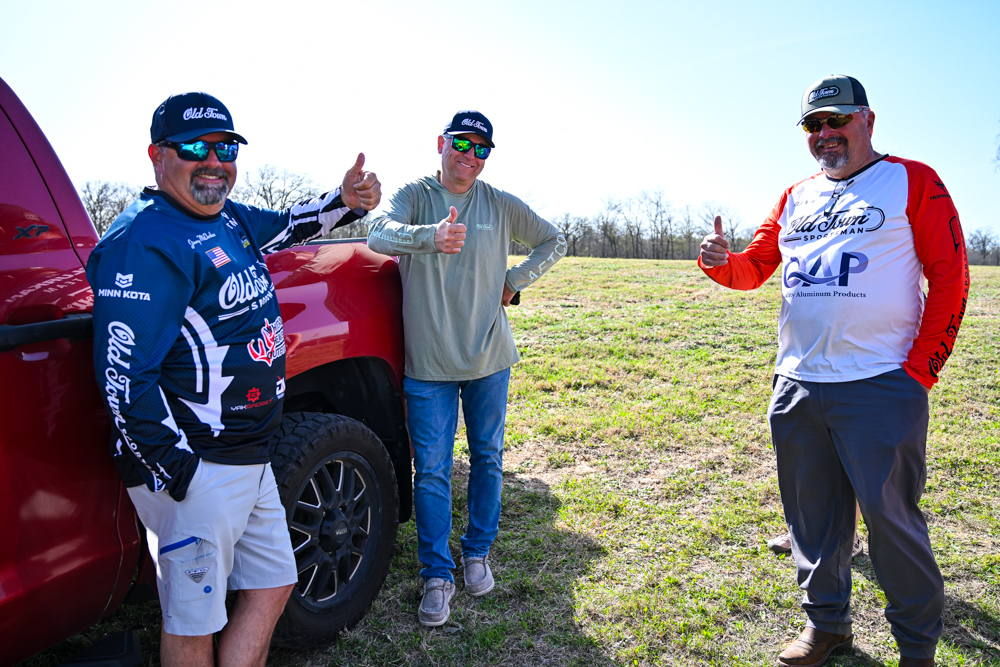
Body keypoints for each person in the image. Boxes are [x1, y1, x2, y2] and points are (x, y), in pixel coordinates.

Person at [87, 92, 380, 667]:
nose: (213, 162)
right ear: (157, 155)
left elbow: (292, 224)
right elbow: (123, 376)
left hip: (250, 455)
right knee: (193, 622)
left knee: (272, 585)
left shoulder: (229, 218)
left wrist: (344, 201)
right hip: (197, 464)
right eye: (195, 148)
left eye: (225, 148)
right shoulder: (143, 242)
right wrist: (181, 475)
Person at [698, 75, 968, 667]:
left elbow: (950, 279)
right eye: (813, 124)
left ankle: (917, 647)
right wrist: (719, 262)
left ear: (867, 120)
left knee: (892, 524)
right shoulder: (794, 196)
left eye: (837, 120)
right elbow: (753, 270)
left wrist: (919, 371)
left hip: (880, 383)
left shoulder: (913, 180)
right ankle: (827, 625)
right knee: (813, 519)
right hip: (798, 383)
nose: (825, 133)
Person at [367, 110, 567, 627]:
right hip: (428, 365)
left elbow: (555, 240)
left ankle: (477, 552)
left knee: (488, 459)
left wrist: (515, 281)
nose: (470, 156)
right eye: (462, 143)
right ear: (441, 142)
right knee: (432, 471)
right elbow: (377, 232)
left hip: (488, 360)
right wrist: (430, 238)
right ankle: (437, 574)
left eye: (481, 149)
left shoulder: (498, 203)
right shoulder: (416, 195)